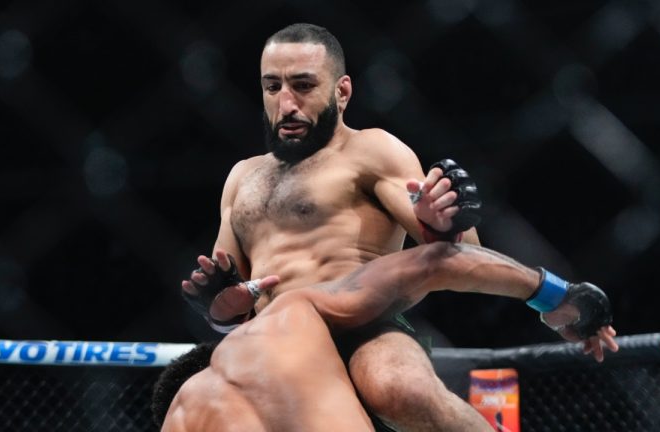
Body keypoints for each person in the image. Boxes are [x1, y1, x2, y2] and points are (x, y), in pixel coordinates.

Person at [180, 22, 490, 431]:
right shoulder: (243, 177)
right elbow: (228, 295)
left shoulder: (371, 150)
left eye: (303, 85)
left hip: (363, 327)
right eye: (272, 87)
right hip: (274, 341)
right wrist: (219, 306)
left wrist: (444, 224)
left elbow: (466, 249)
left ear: (341, 92)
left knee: (399, 387)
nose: (286, 103)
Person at [159, 242, 619, 431]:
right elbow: (433, 261)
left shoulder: (181, 417)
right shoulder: (290, 315)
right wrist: (557, 293)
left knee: (402, 387)